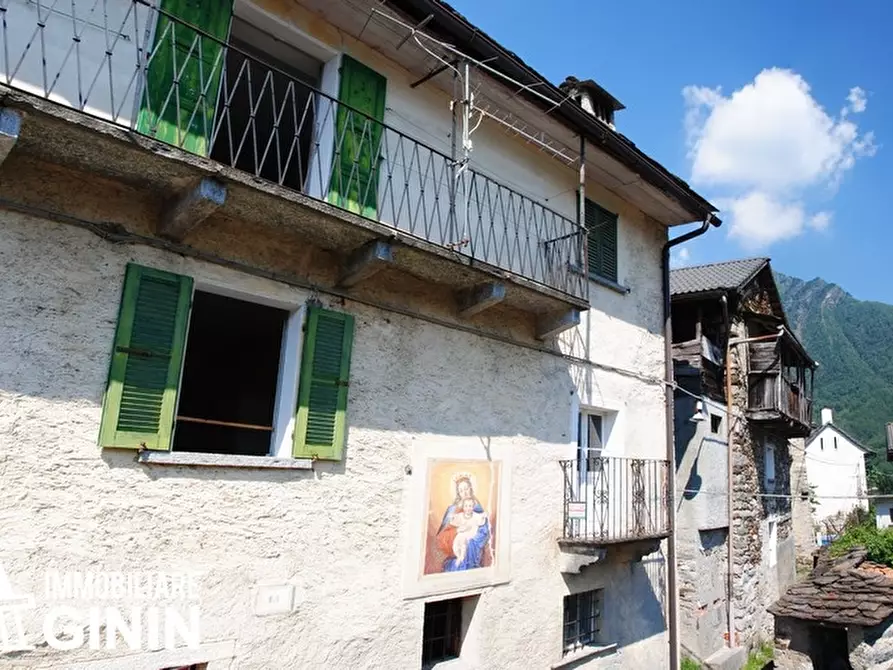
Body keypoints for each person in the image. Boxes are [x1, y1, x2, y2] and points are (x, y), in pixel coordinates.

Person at [435, 476, 490, 571]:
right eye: (461, 490)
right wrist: (457, 530)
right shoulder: (452, 510)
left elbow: (484, 532)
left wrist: (471, 543)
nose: (464, 493)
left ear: (471, 489)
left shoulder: (477, 509)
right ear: (458, 493)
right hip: (454, 552)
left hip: (472, 551)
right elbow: (442, 536)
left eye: (466, 489)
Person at [449, 497, 487, 565]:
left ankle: (462, 557)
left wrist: (483, 516)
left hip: (470, 533)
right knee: (455, 544)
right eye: (466, 506)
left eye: (470, 506)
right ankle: (458, 555)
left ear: (473, 507)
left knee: (464, 542)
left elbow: (480, 520)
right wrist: (452, 517)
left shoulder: (475, 515)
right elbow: (454, 521)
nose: (468, 508)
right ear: (463, 507)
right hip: (461, 534)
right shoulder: (461, 516)